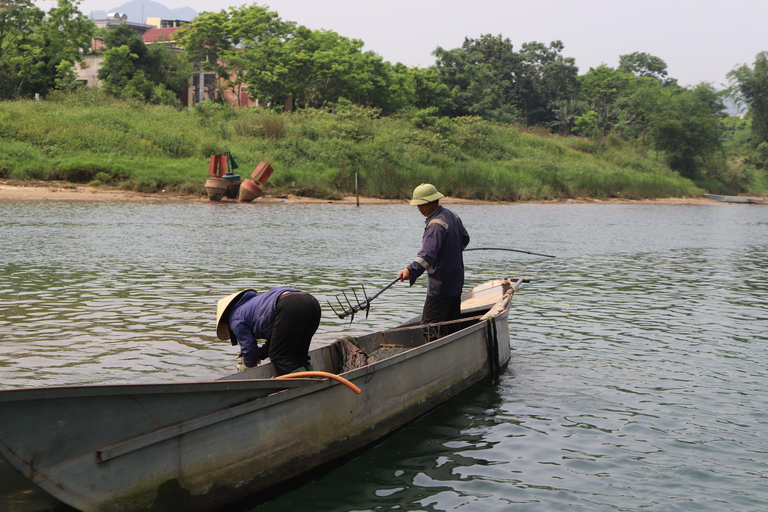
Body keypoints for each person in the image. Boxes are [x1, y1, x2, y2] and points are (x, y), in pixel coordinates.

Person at [397, 183, 470, 340]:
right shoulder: (452, 215)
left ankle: (438, 358)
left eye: (422, 205)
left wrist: (410, 270)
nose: (419, 209)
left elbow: (427, 255)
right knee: (452, 325)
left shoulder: (435, 225)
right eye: (418, 206)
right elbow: (465, 239)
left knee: (430, 326)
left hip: (441, 285)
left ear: (433, 202)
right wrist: (449, 253)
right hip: (456, 281)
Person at [216, 287, 321, 375]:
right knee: (299, 355)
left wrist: (247, 364)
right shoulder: (253, 305)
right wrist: (260, 354)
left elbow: (249, 350)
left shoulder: (235, 318)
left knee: (279, 357)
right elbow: (276, 340)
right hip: (310, 301)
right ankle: (315, 384)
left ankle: (302, 389)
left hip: (289, 304)